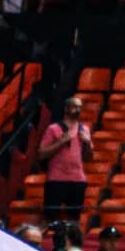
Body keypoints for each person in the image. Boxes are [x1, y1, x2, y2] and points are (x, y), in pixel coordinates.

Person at [37, 95, 93, 223]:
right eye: (74, 107)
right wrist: (60, 142)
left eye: (80, 107)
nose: (77, 110)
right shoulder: (53, 129)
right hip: (56, 178)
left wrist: (88, 143)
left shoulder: (84, 130)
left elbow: (89, 158)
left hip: (78, 180)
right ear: (66, 109)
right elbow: (41, 154)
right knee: (49, 217)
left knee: (74, 218)